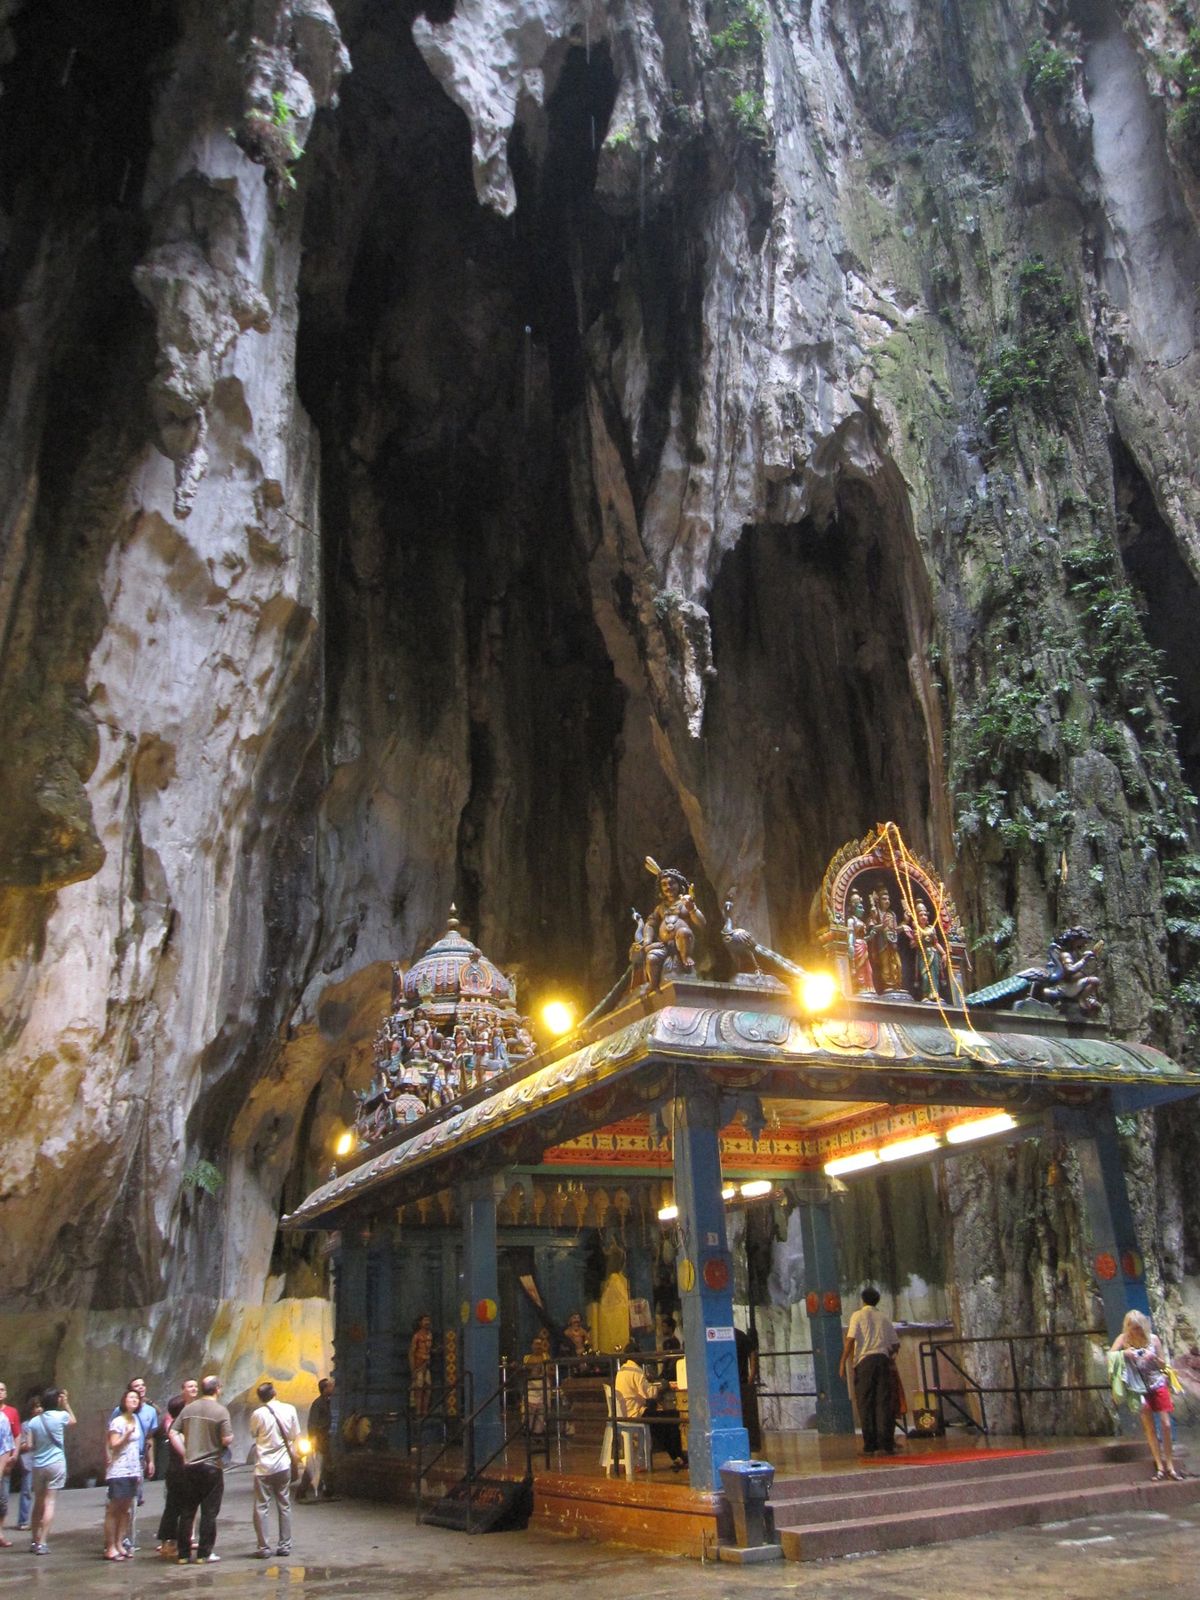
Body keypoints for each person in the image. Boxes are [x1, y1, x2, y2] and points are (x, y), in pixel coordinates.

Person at [169, 1374, 232, 1564]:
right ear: (218, 1389)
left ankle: (183, 1554)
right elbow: (226, 1439)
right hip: (212, 1467)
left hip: (190, 1467)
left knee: (187, 1511)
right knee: (209, 1512)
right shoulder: (220, 1411)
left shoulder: (189, 1409)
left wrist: (185, 1453)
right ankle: (204, 1554)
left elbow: (173, 1431)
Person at [1111, 1310, 1181, 1480]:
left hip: (1156, 1383)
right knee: (1149, 1426)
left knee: (1166, 1424)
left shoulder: (1153, 1339)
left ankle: (1170, 1463)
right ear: (1128, 1328)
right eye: (1133, 1328)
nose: (1137, 1332)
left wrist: (1154, 1358)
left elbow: (1164, 1366)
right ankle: (1159, 1465)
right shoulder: (1123, 1339)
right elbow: (1111, 1357)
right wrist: (1124, 1354)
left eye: (1139, 1328)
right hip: (1138, 1386)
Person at [839, 1286, 900, 1455]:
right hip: (882, 1361)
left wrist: (842, 1363)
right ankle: (885, 1443)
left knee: (865, 1403)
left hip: (864, 1363)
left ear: (863, 1300)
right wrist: (892, 1357)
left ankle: (870, 1444)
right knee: (883, 1403)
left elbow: (850, 1340)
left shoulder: (857, 1316)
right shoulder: (884, 1317)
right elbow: (896, 1344)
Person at [249, 1381, 301, 1558]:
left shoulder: (257, 1414)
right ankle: (285, 1545)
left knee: (261, 1506)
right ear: (275, 1392)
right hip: (283, 1464)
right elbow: (295, 1436)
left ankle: (263, 1547)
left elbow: (254, 1433)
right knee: (284, 1504)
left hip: (263, 1466)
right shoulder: (290, 1409)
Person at [614, 1344, 686, 1469]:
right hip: (637, 1413)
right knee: (673, 1416)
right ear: (636, 1356)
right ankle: (678, 1456)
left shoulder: (623, 1370)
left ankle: (676, 1456)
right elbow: (650, 1393)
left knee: (662, 1422)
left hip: (626, 1412)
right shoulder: (635, 1370)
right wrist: (663, 1386)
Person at [25, 1385, 75, 1553]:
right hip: (56, 1463)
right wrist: (66, 1404)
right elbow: (73, 1420)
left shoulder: (34, 1421)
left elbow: (31, 1445)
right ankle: (43, 1543)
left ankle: (34, 1540)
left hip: (39, 1464)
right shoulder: (60, 1416)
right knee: (50, 1502)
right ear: (56, 1400)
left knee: (38, 1502)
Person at [110, 1374, 157, 1552]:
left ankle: (125, 1539)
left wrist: (150, 1460)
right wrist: (108, 1458)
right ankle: (114, 1543)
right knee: (116, 1505)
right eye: (136, 1387)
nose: (140, 1389)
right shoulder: (118, 1415)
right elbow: (111, 1439)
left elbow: (149, 1439)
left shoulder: (149, 1413)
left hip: (136, 1460)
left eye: (142, 1386)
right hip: (120, 1462)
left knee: (132, 1503)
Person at [155, 1378, 198, 1557]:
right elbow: (185, 1451)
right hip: (181, 1472)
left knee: (173, 1507)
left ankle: (171, 1541)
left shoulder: (176, 1425)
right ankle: (173, 1542)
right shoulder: (178, 1427)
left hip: (175, 1471)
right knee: (180, 1508)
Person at [104, 1389, 142, 1560]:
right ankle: (110, 1546)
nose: (134, 1400)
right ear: (124, 1400)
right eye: (131, 1397)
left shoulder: (136, 1419)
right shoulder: (118, 1421)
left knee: (125, 1510)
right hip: (119, 1469)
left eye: (136, 1398)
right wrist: (126, 1435)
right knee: (114, 1508)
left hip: (133, 1469)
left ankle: (120, 1542)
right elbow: (113, 1444)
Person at [304, 1378, 335, 1500]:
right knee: (314, 1465)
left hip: (324, 1438)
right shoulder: (318, 1403)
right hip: (319, 1439)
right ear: (325, 1389)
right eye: (330, 1386)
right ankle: (301, 1492)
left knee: (327, 1465)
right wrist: (313, 1440)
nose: (333, 1388)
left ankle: (329, 1493)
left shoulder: (326, 1402)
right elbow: (312, 1423)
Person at [15, 1390, 41, 1530]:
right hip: (29, 1461)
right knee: (26, 1491)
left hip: (41, 1460)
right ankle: (23, 1520)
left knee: (41, 1492)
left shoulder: (44, 1423)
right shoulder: (26, 1425)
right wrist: (31, 1443)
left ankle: (39, 1519)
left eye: (40, 1406)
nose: (38, 1409)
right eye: (36, 1407)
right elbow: (21, 1445)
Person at [409, 1315, 435, 1419]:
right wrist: (413, 1369)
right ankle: (418, 1412)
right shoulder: (416, 1336)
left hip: (427, 1365)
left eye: (428, 1320)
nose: (427, 1322)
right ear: (420, 1323)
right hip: (419, 1366)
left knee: (428, 1388)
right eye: (425, 1320)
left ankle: (425, 1411)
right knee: (419, 1389)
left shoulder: (430, 1335)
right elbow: (411, 1352)